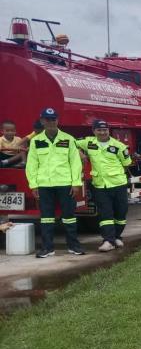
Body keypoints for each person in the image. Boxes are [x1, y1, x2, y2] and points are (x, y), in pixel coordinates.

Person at [25, 108, 85, 258]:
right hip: (44, 185)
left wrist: (76, 183)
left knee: (69, 216)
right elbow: (31, 164)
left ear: (57, 120)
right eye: (47, 119)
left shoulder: (68, 139)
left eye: (53, 119)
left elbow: (75, 162)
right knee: (46, 217)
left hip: (65, 184)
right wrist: (33, 185)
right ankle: (47, 248)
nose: (51, 122)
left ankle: (73, 246)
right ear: (42, 121)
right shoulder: (36, 141)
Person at [76, 120, 133, 252]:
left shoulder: (119, 146)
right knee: (105, 214)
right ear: (93, 131)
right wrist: (80, 153)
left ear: (108, 130)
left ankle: (117, 236)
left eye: (105, 130)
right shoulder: (89, 142)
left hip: (118, 184)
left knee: (120, 213)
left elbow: (127, 164)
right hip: (100, 186)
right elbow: (71, 143)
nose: (102, 133)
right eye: (99, 130)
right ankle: (108, 241)